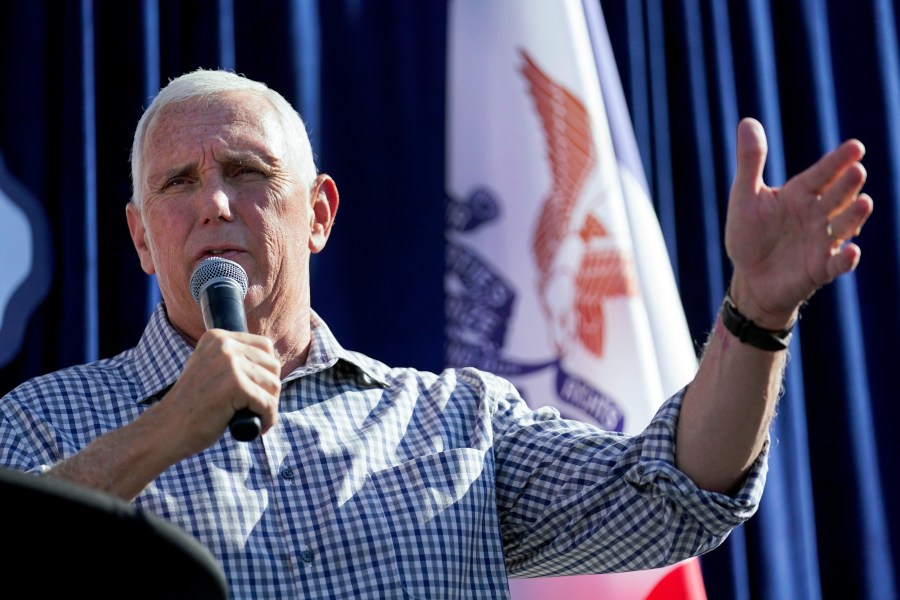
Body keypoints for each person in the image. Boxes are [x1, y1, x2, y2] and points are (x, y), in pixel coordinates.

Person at [0, 68, 872, 598]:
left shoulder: (456, 422)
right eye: (178, 184)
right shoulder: (43, 423)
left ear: (319, 214)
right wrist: (168, 428)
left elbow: (675, 493)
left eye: (246, 171)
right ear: (141, 238)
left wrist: (756, 313)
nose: (216, 202)